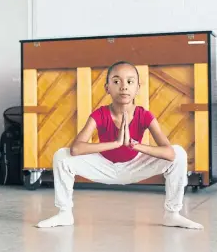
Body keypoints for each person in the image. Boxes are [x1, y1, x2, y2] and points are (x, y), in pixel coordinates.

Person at [36, 61, 203, 230]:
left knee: (179, 153)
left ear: (137, 88)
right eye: (116, 81)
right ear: (107, 87)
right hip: (103, 167)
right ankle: (64, 213)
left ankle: (172, 214)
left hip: (136, 166)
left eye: (130, 82)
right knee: (62, 156)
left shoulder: (144, 115)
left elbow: (169, 154)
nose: (123, 87)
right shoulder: (99, 114)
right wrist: (115, 143)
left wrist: (135, 146)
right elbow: (76, 149)